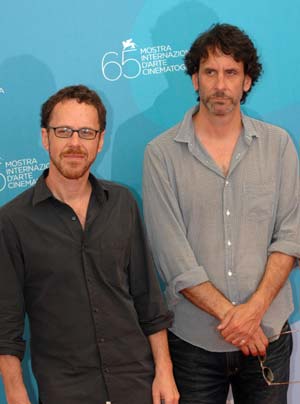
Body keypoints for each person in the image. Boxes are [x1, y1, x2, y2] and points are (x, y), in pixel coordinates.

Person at [143, 23, 300, 404]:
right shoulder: (160, 155)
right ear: (194, 79)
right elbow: (172, 257)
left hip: (269, 336)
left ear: (247, 80)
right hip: (192, 344)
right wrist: (240, 321)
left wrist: (255, 313)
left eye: (231, 73)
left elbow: (290, 236)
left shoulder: (278, 145)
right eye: (209, 72)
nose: (220, 84)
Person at [0, 85, 179, 404]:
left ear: (100, 140)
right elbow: (6, 323)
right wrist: (16, 393)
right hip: (66, 392)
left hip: (136, 386)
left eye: (85, 132)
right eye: (63, 131)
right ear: (45, 138)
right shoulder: (12, 221)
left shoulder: (123, 203)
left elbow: (148, 297)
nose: (74, 143)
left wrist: (164, 371)